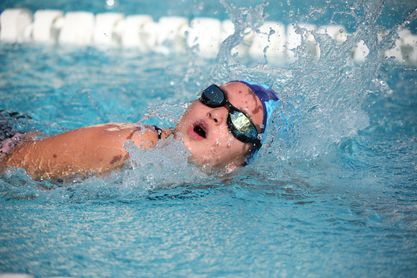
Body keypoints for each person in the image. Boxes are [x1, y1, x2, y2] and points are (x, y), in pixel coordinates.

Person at [0, 81, 278, 180]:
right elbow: (12, 163)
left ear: (241, 162)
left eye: (239, 122)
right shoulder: (134, 147)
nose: (216, 114)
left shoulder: (220, 182)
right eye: (215, 95)